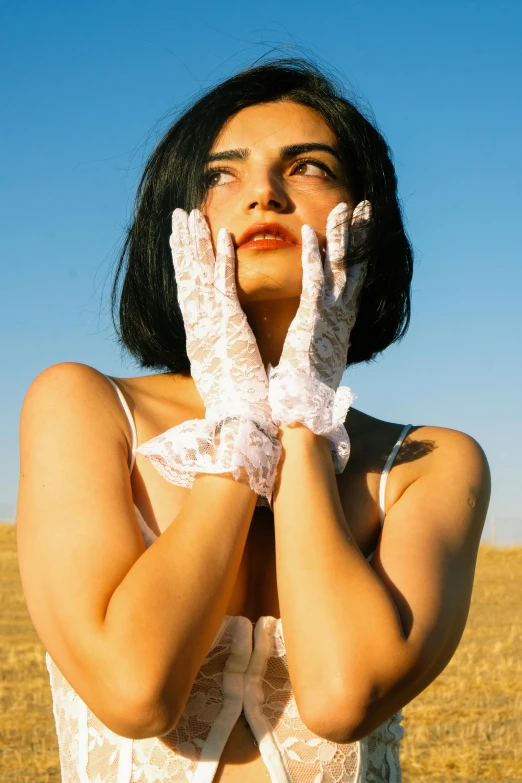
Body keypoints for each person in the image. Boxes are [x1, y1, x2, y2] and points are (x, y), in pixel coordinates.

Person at [16, 59, 490, 783]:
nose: (263, 194)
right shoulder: (83, 407)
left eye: (308, 168)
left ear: (364, 223)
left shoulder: (430, 462)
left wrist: (298, 413)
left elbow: (340, 694)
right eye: (220, 174)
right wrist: (238, 417)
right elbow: (135, 689)